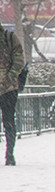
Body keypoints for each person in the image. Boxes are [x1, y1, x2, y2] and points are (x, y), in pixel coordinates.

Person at [0, 24, 25, 166]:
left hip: (8, 89)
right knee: (9, 121)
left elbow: (19, 61)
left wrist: (9, 79)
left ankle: (9, 154)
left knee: (8, 122)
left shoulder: (9, 38)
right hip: (8, 87)